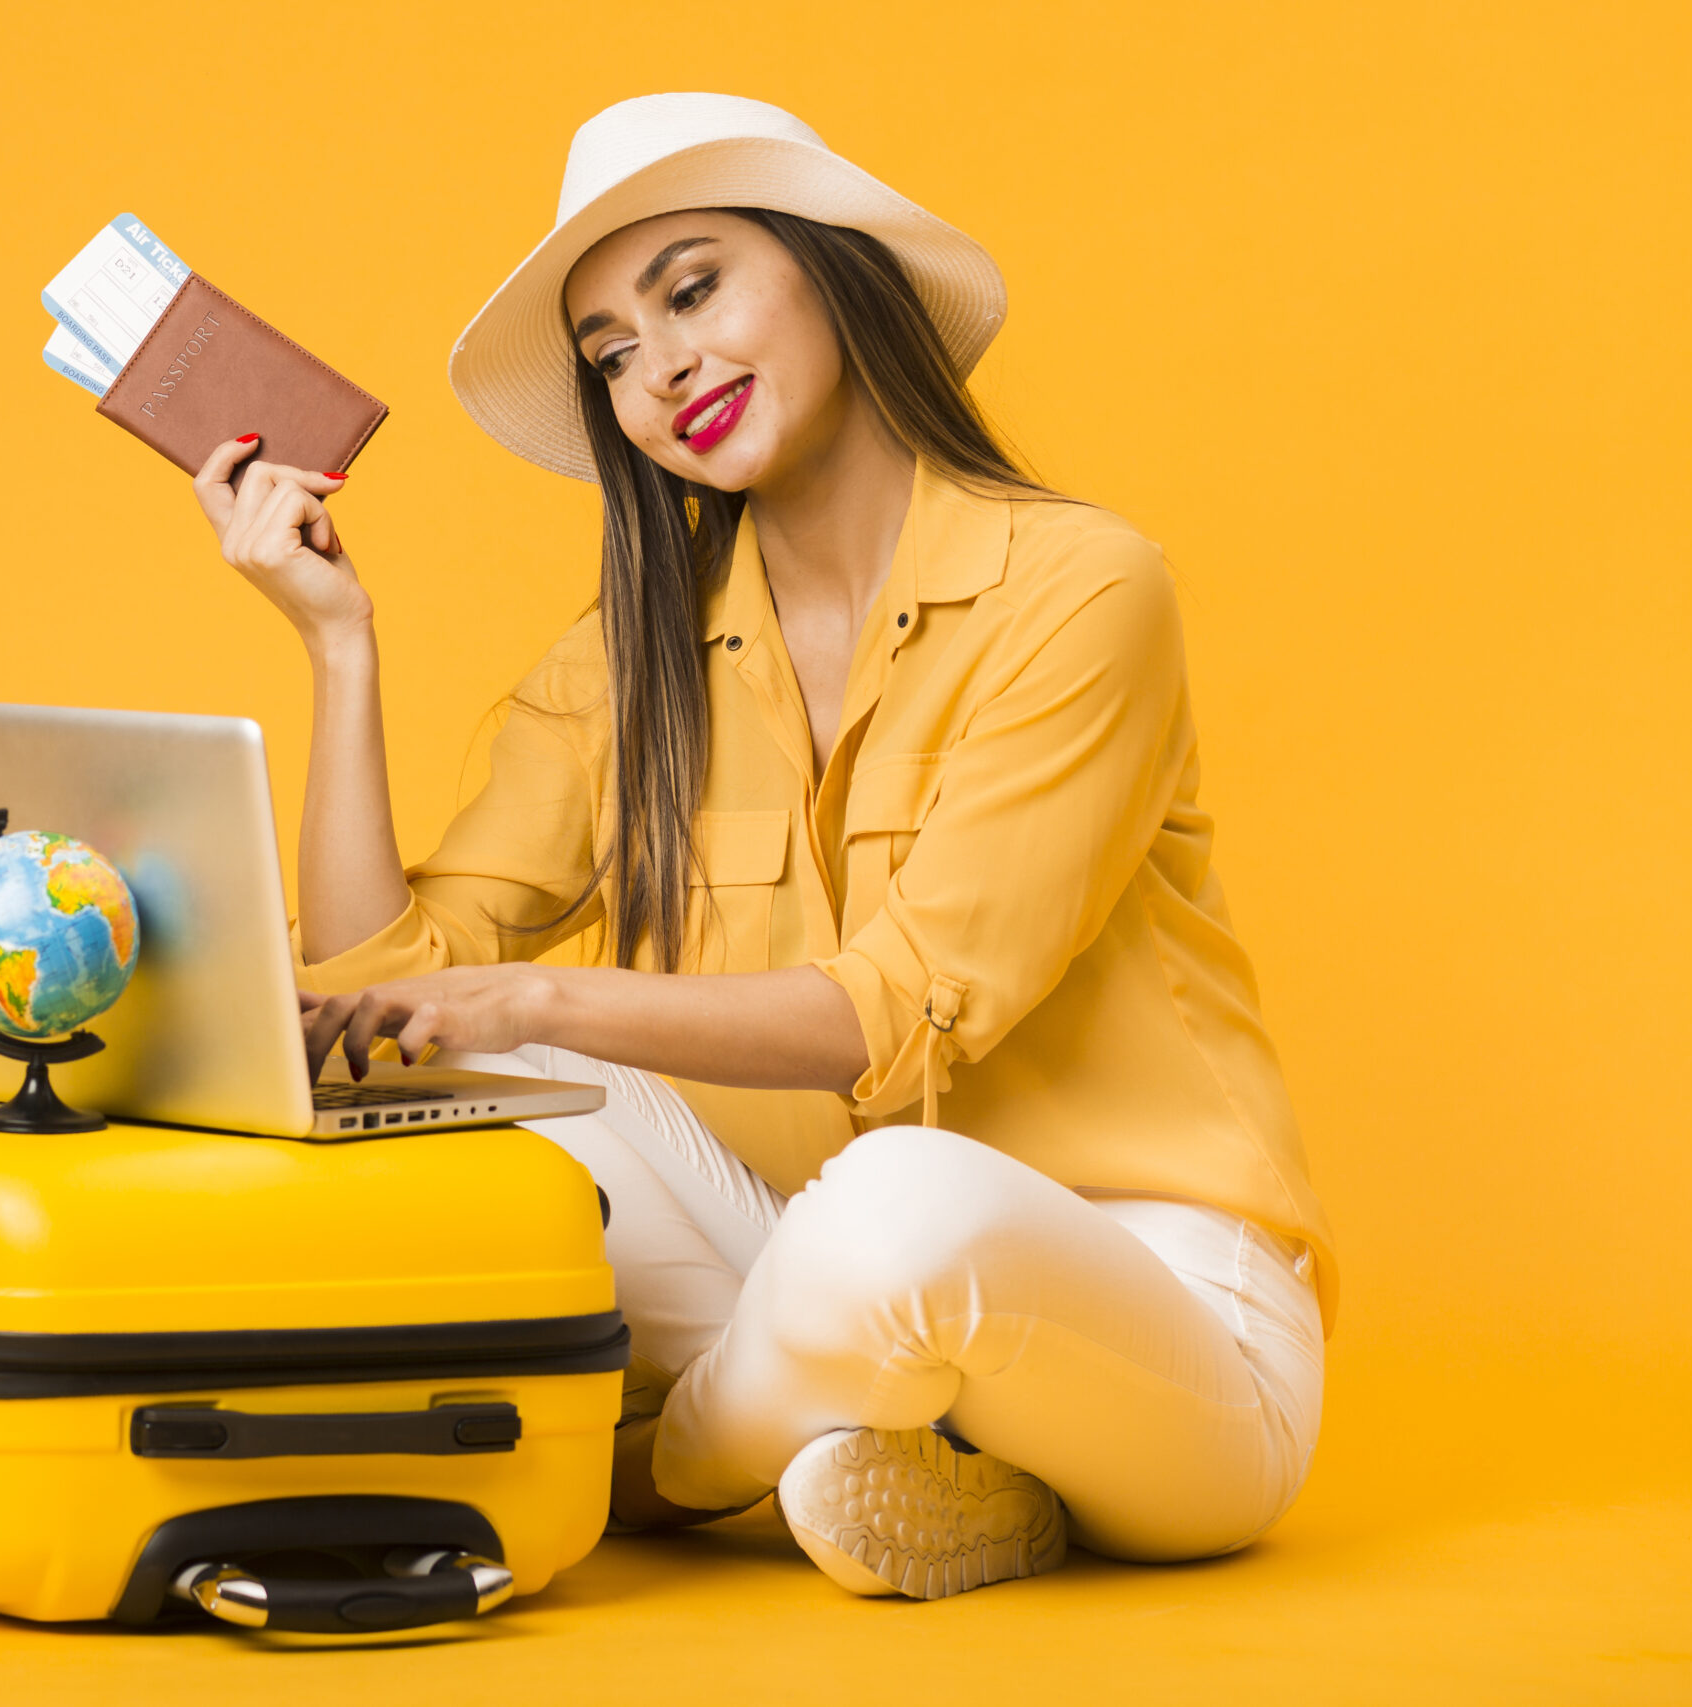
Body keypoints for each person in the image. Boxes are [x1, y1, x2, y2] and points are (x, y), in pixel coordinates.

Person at [184, 92, 1335, 1601]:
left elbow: (898, 1012)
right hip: (805, 1275)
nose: (658, 369)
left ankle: (653, 1476)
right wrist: (340, 647)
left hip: (1162, 1329)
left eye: (692, 288)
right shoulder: (639, 653)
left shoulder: (1083, 589)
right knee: (484, 1095)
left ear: (833, 272)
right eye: (610, 353)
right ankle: (888, 1470)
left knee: (896, 1200)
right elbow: (394, 988)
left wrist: (535, 998)